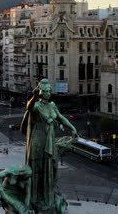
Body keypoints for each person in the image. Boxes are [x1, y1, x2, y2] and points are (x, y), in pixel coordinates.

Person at [21, 78, 77, 213]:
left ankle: (47, 195)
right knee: (36, 169)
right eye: (44, 91)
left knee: (50, 168)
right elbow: (28, 107)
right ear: (40, 92)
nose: (47, 93)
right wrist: (34, 96)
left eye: (48, 91)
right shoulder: (36, 106)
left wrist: (72, 127)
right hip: (37, 140)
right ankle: (34, 199)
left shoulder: (52, 106)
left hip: (49, 139)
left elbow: (61, 117)